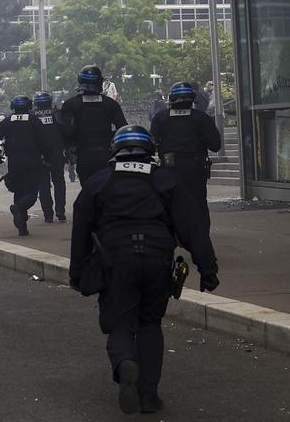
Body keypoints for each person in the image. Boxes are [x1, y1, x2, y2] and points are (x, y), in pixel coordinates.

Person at [69, 125, 216, 415]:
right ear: (150, 151)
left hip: (115, 260)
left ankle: (125, 364)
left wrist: (77, 273)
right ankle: (148, 395)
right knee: (150, 323)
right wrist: (207, 268)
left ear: (116, 150)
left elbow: (81, 232)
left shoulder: (98, 182)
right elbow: (193, 227)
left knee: (120, 322)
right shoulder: (165, 180)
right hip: (158, 257)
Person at [149, 81, 222, 277]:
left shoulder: (161, 118)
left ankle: (167, 245)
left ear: (171, 100)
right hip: (194, 170)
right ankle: (202, 246)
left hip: (169, 171)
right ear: (193, 100)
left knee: (167, 207)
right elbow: (215, 144)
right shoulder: (200, 118)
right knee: (198, 207)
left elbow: (150, 142)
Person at [0, 96, 49, 235]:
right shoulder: (34, 121)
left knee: (19, 192)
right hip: (32, 161)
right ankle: (19, 208)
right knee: (31, 194)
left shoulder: (7, 122)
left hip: (14, 163)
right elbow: (45, 142)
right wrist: (48, 158)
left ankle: (22, 228)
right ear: (29, 106)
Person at [60, 65, 128, 184]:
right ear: (99, 82)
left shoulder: (71, 104)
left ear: (80, 81)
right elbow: (123, 129)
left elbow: (66, 132)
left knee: (88, 193)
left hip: (84, 156)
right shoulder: (110, 104)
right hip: (105, 155)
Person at [33, 91, 68, 222]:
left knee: (43, 184)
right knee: (59, 181)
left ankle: (48, 214)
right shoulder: (57, 114)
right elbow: (66, 132)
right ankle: (60, 210)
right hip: (56, 153)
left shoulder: (32, 117)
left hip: (40, 155)